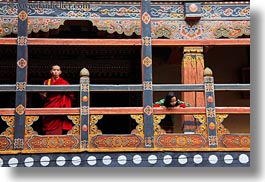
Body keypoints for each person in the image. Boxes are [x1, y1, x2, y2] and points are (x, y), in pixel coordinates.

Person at [40, 65, 74, 135]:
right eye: (54, 70)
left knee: (58, 125)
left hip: (60, 107)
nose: (56, 72)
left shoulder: (64, 83)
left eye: (57, 70)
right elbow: (43, 95)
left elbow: (71, 94)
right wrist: (43, 94)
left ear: (60, 72)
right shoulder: (47, 82)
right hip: (49, 106)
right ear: (51, 71)